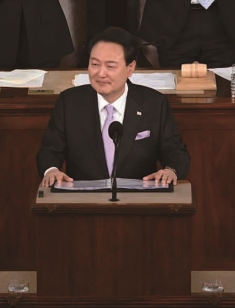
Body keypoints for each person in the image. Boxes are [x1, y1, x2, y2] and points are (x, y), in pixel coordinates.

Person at [37, 26, 189, 187]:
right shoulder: (70, 102)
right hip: (83, 200)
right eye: (95, 64)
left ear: (130, 68)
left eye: (110, 66)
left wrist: (170, 170)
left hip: (137, 201)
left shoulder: (154, 103)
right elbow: (50, 150)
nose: (101, 73)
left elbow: (175, 151)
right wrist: (51, 170)